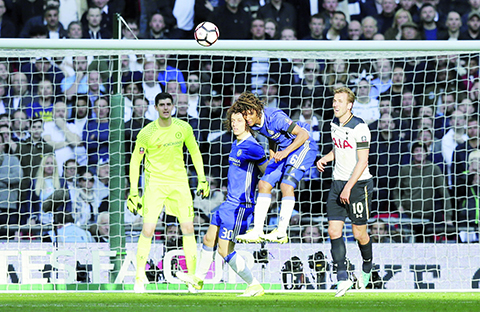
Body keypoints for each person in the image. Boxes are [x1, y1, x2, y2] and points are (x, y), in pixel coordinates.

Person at [176, 107, 268, 297]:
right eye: (232, 120)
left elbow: (266, 171)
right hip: (228, 203)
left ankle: (254, 284)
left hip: (240, 205)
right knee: (208, 239)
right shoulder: (236, 142)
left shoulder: (253, 146)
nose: (234, 124)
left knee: (224, 250)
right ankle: (198, 279)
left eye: (239, 121)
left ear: (248, 123)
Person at [127, 92, 210, 293]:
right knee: (148, 229)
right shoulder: (146, 133)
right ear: (155, 108)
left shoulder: (184, 128)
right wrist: (133, 191)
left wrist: (202, 178)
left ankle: (191, 279)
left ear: (172, 106)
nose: (165, 107)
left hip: (179, 183)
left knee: (188, 229)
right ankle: (139, 277)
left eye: (168, 104)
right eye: (161, 104)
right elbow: (135, 161)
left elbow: (195, 152)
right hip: (155, 185)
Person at [234, 91, 319, 243]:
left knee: (286, 185)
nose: (247, 118)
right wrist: (273, 152)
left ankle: (281, 232)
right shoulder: (254, 123)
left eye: (250, 114)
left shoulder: (275, 118)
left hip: (303, 146)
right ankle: (257, 231)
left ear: (258, 110)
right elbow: (272, 136)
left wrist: (285, 152)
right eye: (244, 115)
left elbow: (304, 135)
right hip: (283, 149)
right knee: (264, 184)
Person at [316, 87, 373, 297]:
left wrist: (349, 187)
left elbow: (363, 160)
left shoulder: (360, 127)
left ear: (349, 105)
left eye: (339, 101)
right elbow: (338, 150)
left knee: (359, 234)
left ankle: (367, 264)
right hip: (337, 183)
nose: (335, 104)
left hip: (358, 185)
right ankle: (342, 277)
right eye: (334, 100)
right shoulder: (334, 123)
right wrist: (325, 158)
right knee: (333, 231)